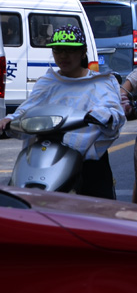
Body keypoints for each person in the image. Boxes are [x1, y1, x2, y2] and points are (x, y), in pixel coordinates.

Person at [1, 25, 125, 199]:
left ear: (83, 52)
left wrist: (103, 115)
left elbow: (113, 110)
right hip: (44, 153)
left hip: (87, 159)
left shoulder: (101, 83)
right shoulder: (48, 81)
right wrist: (9, 119)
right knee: (17, 199)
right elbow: (28, 107)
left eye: (70, 50)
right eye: (58, 50)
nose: (63, 56)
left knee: (100, 207)